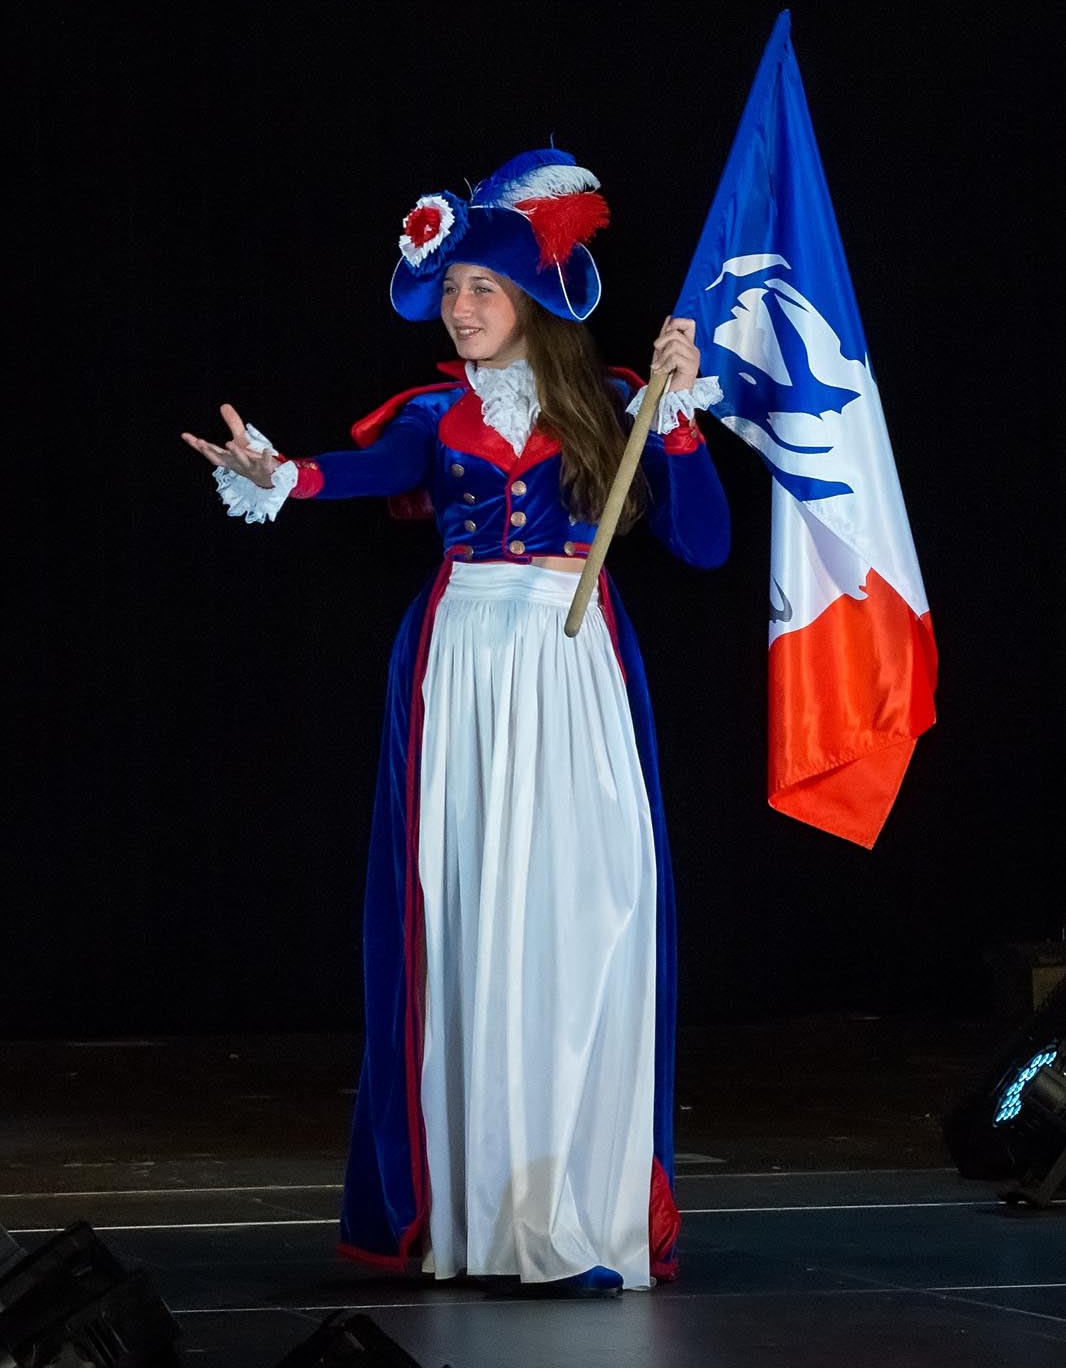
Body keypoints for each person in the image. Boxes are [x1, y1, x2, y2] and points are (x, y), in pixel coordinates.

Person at [182, 147, 730, 1295]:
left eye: (482, 287)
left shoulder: (616, 400)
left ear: (531, 296)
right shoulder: (434, 413)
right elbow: (359, 467)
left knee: (586, 919)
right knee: (469, 925)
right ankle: (484, 1222)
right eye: (451, 289)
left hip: (574, 667)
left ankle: (577, 1217)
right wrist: (279, 472)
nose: (461, 306)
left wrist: (676, 415)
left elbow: (705, 542)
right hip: (464, 663)